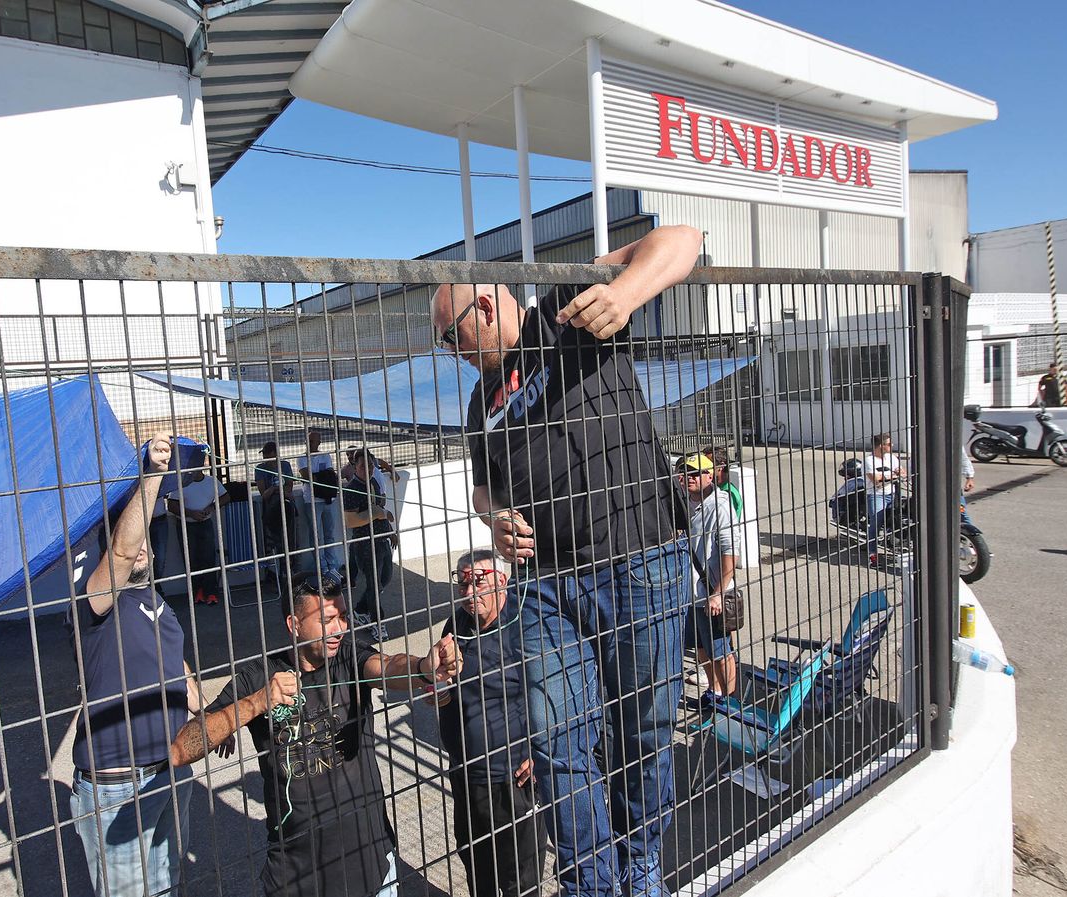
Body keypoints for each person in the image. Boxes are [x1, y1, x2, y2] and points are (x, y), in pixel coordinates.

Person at [430, 223, 703, 897]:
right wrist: (492, 515)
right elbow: (483, 482)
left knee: (644, 729)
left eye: (451, 337)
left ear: (485, 308)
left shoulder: (565, 310)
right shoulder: (480, 403)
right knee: (556, 744)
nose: (451, 354)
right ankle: (591, 883)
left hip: (640, 559)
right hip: (547, 586)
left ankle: (639, 867)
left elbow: (683, 238)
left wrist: (630, 291)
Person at [168, 575, 462, 897]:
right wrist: (256, 704)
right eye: (327, 620)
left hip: (371, 862)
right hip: (297, 873)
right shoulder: (258, 677)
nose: (340, 629)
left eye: (343, 617)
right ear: (294, 624)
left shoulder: (349, 657)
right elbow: (181, 750)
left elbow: (386, 666)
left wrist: (422, 667)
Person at [71, 434, 202, 897]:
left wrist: (194, 696)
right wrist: (152, 476)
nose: (141, 544)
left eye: (148, 533)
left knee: (167, 887)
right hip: (116, 786)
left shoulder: (155, 600)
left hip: (169, 768)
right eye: (132, 533)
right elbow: (123, 554)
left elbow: (174, 657)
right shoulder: (97, 602)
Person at [437, 550, 548, 897]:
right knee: (476, 863)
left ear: (501, 580)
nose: (468, 593)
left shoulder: (525, 624)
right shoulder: (457, 624)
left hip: (513, 778)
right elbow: (445, 679)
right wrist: (437, 688)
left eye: (477, 582)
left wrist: (541, 748)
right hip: (467, 774)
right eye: (463, 583)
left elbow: (555, 689)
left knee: (520, 875)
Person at [681, 453, 740, 701]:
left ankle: (730, 702)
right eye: (684, 473)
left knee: (721, 650)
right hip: (691, 594)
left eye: (695, 473)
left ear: (709, 475)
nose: (688, 478)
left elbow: (730, 554)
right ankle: (714, 691)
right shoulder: (685, 502)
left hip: (712, 594)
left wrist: (717, 593)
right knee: (701, 648)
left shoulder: (719, 505)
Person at [342, 449, 398, 623]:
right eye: (362, 466)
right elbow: (351, 522)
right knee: (373, 584)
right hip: (365, 543)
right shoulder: (351, 489)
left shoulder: (374, 482)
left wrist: (391, 531)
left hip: (382, 538)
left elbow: (380, 510)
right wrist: (376, 513)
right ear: (355, 467)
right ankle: (376, 621)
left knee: (385, 578)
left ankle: (359, 610)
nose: (368, 469)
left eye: (371, 465)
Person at [168, 463, 229, 604]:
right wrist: (191, 513)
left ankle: (211, 593)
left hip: (205, 524)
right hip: (186, 525)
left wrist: (212, 507)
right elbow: (171, 505)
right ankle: (198, 592)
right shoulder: (181, 483)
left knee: (209, 558)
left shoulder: (211, 481)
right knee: (191, 560)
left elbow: (226, 497)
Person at [299, 428, 345, 578]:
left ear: (319, 442)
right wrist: (322, 477)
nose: (311, 443)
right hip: (311, 500)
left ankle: (332, 565)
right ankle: (322, 567)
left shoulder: (325, 455)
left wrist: (319, 477)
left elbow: (330, 475)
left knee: (329, 533)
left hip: (327, 499)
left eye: (314, 441)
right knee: (316, 535)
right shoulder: (302, 458)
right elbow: (307, 476)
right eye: (309, 441)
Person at [861, 433, 905, 566]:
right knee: (876, 523)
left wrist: (888, 475)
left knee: (898, 519)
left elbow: (903, 473)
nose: (892, 446)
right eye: (889, 444)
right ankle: (872, 555)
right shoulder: (869, 461)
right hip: (876, 495)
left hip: (892, 493)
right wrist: (893, 475)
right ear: (881, 446)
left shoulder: (892, 458)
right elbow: (875, 479)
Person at [256, 440, 297, 570]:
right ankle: (277, 570)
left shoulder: (284, 466)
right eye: (264, 454)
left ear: (274, 453)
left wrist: (277, 490)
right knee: (274, 540)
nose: (265, 457)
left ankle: (291, 566)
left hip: (286, 506)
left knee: (290, 537)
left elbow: (289, 488)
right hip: (271, 510)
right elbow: (264, 494)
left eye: (267, 454)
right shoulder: (260, 468)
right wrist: (275, 489)